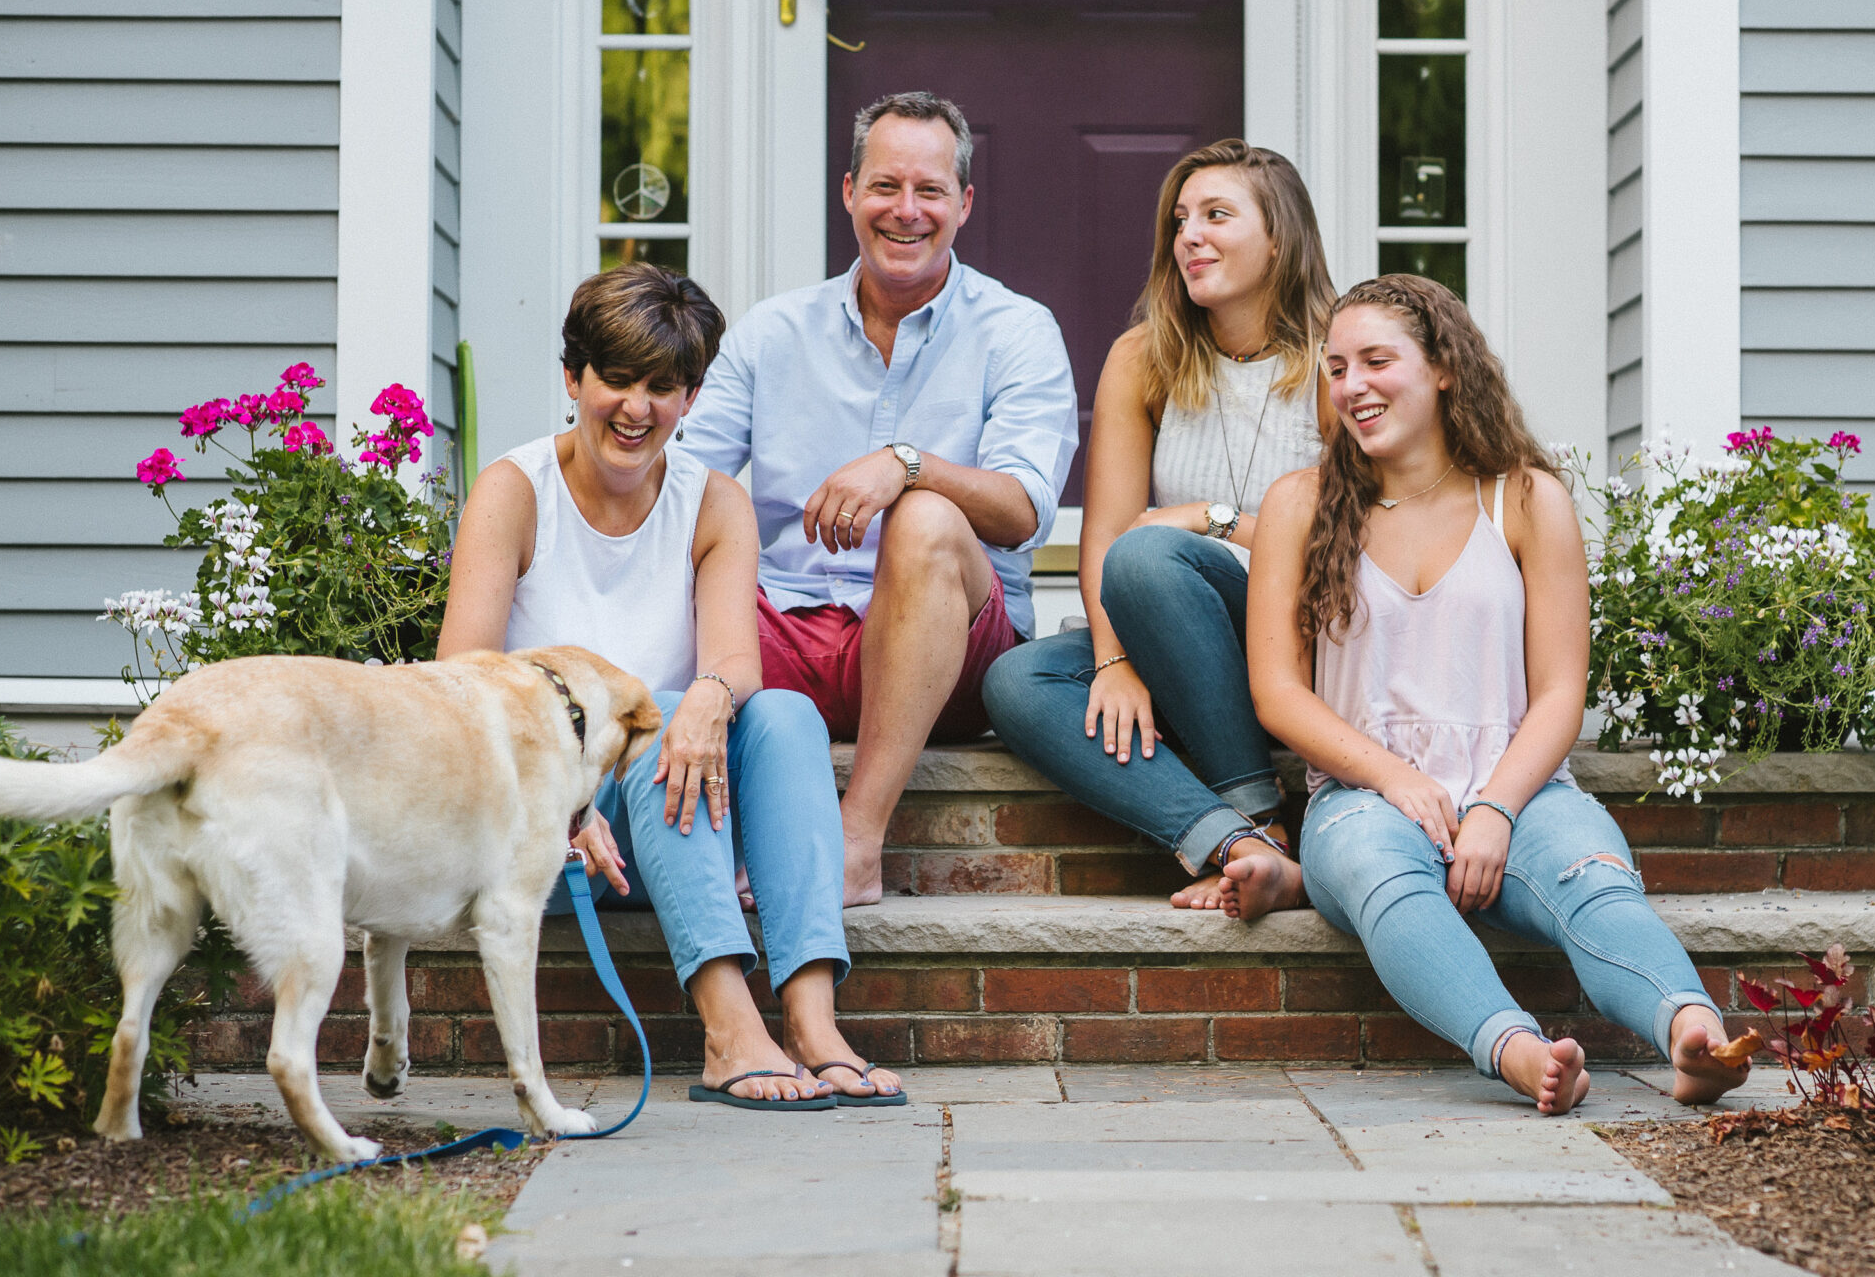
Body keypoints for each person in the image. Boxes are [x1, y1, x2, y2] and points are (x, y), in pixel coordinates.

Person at [1222, 274, 1753, 1115]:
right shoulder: (1300, 504)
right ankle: (1515, 1051)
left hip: (1522, 786)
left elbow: (1559, 693)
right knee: (1383, 879)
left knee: (1593, 879)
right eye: (1335, 368)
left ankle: (1692, 1036)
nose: (1351, 385)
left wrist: (1497, 809)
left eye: (1375, 361)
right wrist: (1398, 781)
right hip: (1364, 799)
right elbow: (1278, 694)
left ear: (1442, 369)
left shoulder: (1527, 497)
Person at [439, 264, 903, 1109]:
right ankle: (729, 1032)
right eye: (616, 379)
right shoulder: (515, 491)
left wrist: (707, 699)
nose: (637, 407)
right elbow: (461, 686)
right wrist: (566, 809)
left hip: (677, 817)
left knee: (786, 715)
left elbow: (736, 662)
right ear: (573, 378)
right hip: (548, 822)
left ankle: (811, 1020)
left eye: (664, 386)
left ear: (690, 398)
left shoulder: (713, 501)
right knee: (655, 734)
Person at [679, 92, 1078, 907]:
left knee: (929, 518)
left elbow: (1024, 508)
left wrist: (907, 465)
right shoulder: (771, 332)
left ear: (964, 204)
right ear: (850, 192)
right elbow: (679, 485)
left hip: (945, 652)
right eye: (886, 186)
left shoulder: (1018, 330)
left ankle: (856, 842)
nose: (907, 210)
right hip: (779, 634)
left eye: (930, 190)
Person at [984, 140, 1333, 904]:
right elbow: (1104, 533)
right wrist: (1114, 662)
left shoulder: (1338, 362)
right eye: (1181, 220)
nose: (1189, 237)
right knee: (1019, 679)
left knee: (1150, 555)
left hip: (1306, 643)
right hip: (1180, 645)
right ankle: (1236, 842)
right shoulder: (1145, 356)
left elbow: (1354, 547)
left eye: (1216, 215)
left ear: (1279, 237)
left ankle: (1260, 814)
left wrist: (1211, 521)